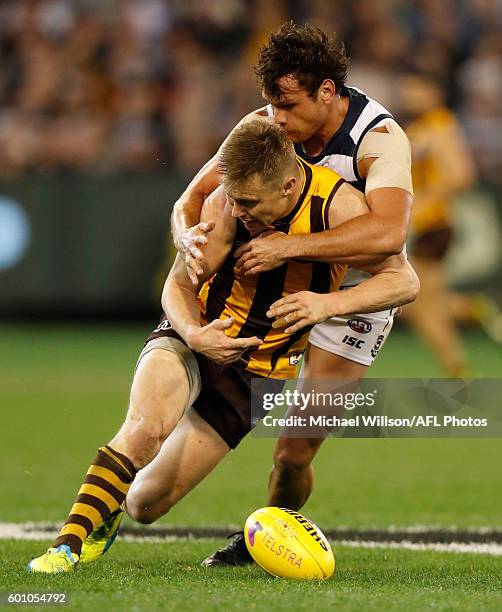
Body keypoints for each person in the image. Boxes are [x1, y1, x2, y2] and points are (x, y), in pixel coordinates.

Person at [28, 119, 418, 573]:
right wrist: (194, 334)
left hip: (260, 372)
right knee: (143, 430)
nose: (239, 210)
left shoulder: (339, 207)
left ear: (288, 184)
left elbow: (404, 281)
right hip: (196, 338)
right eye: (234, 198)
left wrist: (328, 304)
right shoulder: (227, 202)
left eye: (250, 203)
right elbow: (176, 286)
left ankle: (111, 509)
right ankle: (64, 550)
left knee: (144, 505)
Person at [170, 22, 414, 566]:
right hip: (273, 283)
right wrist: (186, 238)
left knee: (293, 450)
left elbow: (389, 236)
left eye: (287, 102)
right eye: (270, 102)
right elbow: (192, 197)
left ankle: (268, 538)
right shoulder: (264, 127)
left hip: (353, 294)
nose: (276, 117)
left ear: (327, 90)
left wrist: (291, 248)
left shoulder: (378, 139)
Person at [398, 72, 493, 376]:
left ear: (434, 91)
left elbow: (462, 175)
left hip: (433, 224)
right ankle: (466, 312)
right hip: (423, 226)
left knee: (416, 301)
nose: (408, 93)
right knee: (422, 303)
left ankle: (456, 367)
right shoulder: (421, 126)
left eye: (415, 86)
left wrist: (424, 197)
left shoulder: (439, 124)